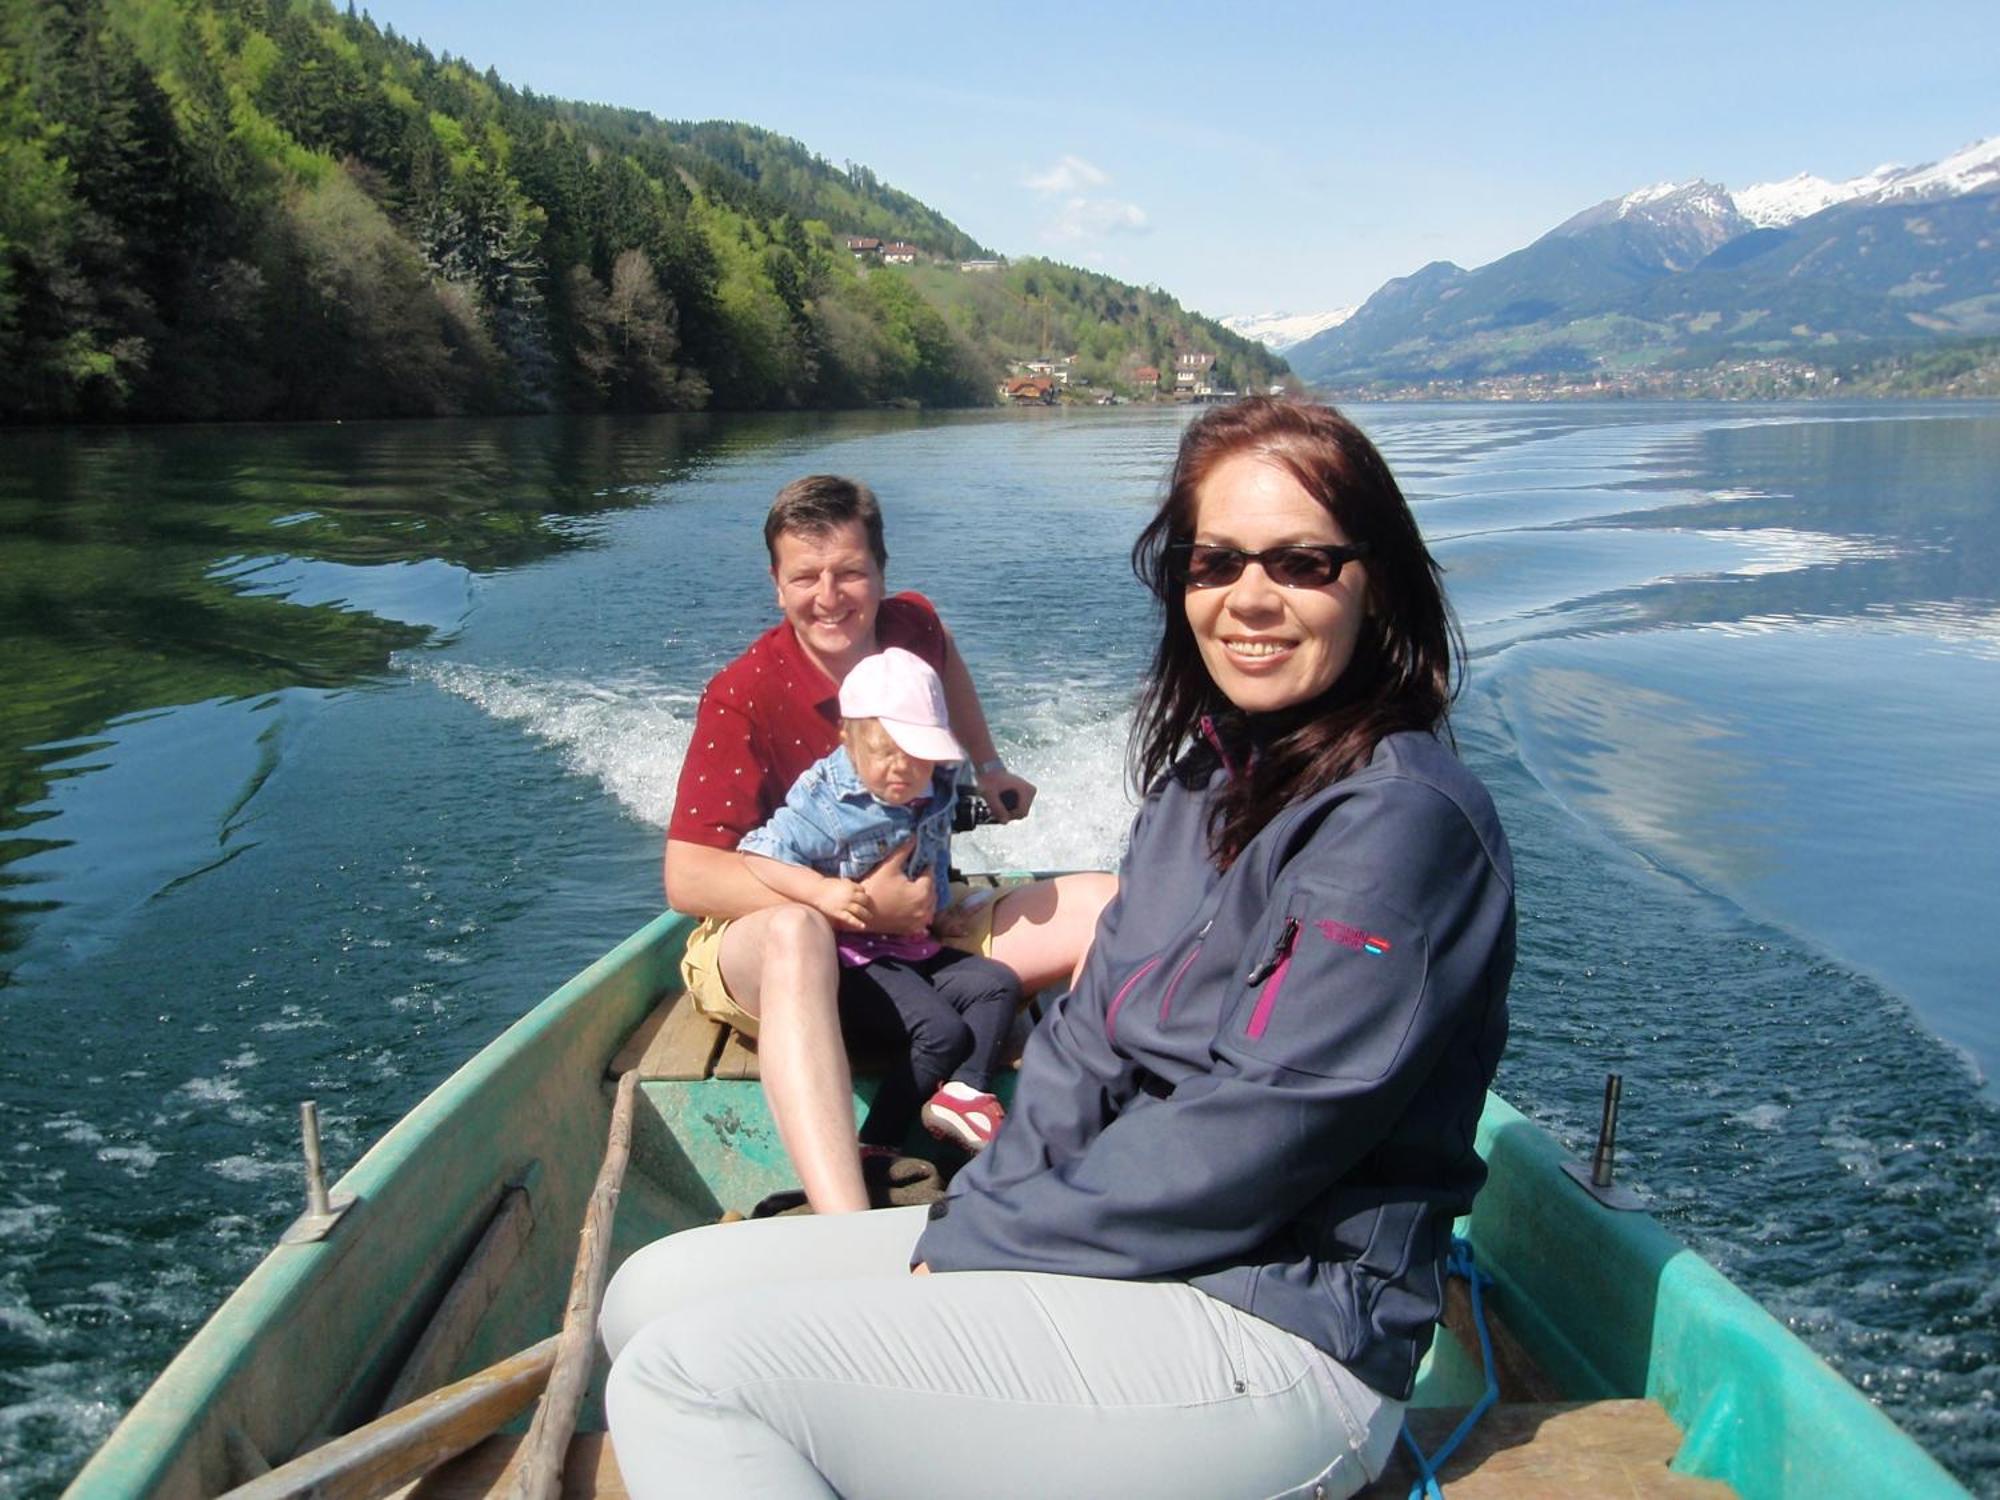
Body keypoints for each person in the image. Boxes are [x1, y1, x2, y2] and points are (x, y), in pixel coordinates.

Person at [602, 397, 1517, 1498]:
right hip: (1124, 1250)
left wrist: (988, 1240)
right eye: (1213, 562)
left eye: (1303, 562)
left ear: (1377, 583)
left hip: (1277, 1324)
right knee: (648, 1296)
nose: (1248, 599)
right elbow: (1082, 1046)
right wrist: (987, 1214)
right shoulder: (1199, 786)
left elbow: (1258, 1132)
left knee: (685, 1380)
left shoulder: (1396, 828)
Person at [664, 474, 1114, 1213]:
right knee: (796, 933)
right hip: (779, 942)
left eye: (850, 572)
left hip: (918, 930)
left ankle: (1071, 1142)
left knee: (1108, 904)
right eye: (805, 576)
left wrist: (988, 763)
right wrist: (856, 910)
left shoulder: (913, 628)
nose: (829, 596)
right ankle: (845, 1223)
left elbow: (948, 659)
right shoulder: (741, 694)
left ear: (881, 571)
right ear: (777, 585)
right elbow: (688, 878)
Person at [739, 646, 1017, 1154]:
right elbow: (757, 854)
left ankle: (963, 1093)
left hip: (910, 950)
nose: (901, 769)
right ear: (848, 740)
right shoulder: (825, 799)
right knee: (942, 1032)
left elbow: (931, 848)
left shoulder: (936, 784)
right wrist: (821, 891)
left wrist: (938, 914)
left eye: (916, 755)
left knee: (996, 984)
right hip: (852, 964)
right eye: (885, 751)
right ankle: (878, 1144)